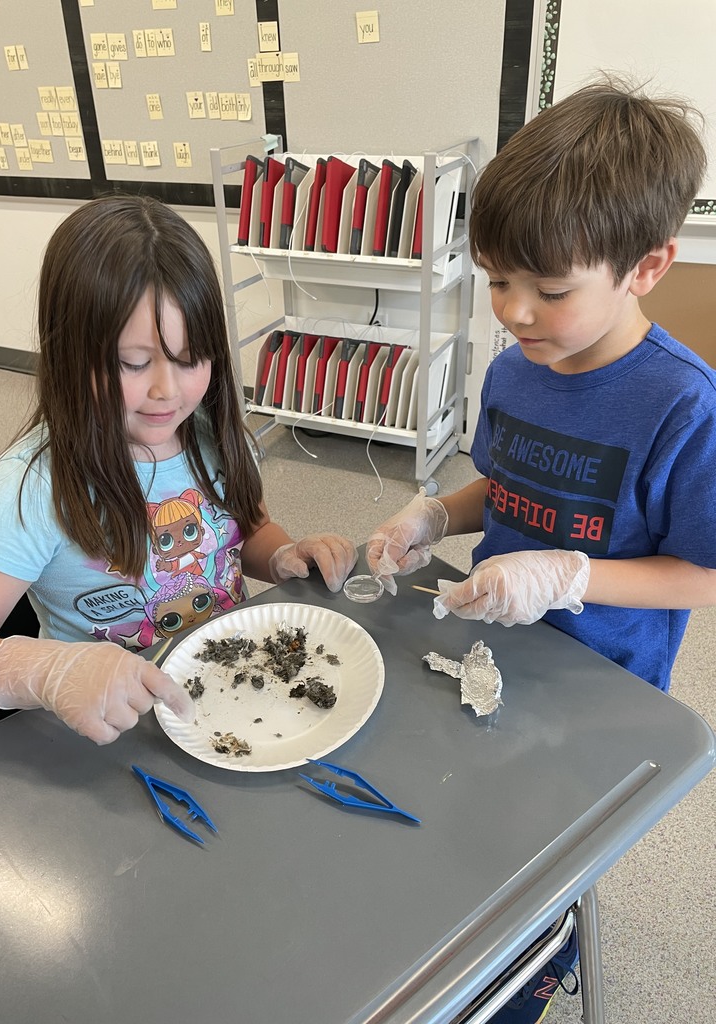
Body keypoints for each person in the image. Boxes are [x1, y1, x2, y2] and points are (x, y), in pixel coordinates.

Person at [367, 79, 716, 1022]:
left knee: (532, 850)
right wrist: (436, 517)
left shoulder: (684, 405)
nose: (513, 314)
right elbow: (506, 479)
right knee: (445, 808)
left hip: (598, 683)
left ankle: (543, 953)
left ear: (646, 267)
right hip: (494, 643)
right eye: (496, 282)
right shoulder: (523, 368)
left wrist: (570, 576)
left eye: (550, 290)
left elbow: (703, 573)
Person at [0, 194, 357, 746]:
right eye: (133, 363)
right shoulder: (32, 489)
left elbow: (247, 529)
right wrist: (46, 672)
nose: (168, 390)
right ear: (69, 352)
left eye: (191, 359)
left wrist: (283, 555)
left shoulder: (209, 434)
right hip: (117, 735)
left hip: (229, 698)